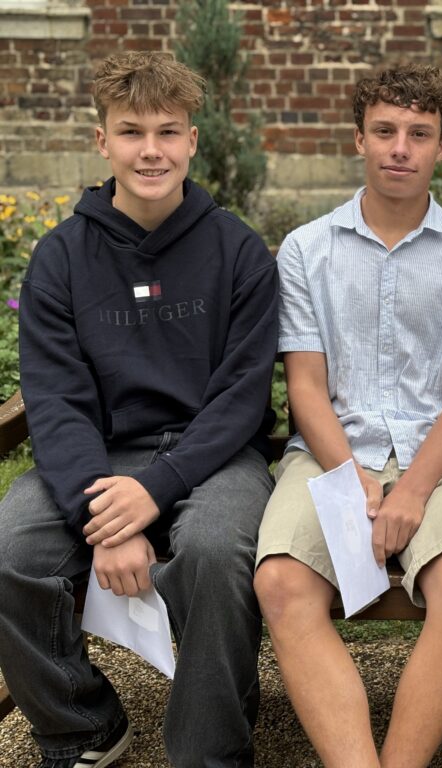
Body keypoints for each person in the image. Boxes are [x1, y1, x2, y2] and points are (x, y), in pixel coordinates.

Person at [0, 51, 279, 767]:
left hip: (214, 456)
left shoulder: (238, 251)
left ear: (192, 140)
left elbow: (241, 398)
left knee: (215, 550)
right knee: (9, 548)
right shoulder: (61, 258)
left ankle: (210, 752)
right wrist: (104, 513)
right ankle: (82, 726)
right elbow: (57, 399)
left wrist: (154, 490)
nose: (151, 150)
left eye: (167, 131)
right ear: (103, 141)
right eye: (131, 132)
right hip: (99, 455)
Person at [252, 64, 442, 768]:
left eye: (419, 134)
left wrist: (412, 489)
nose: (400, 148)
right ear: (358, 138)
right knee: (281, 581)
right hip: (329, 450)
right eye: (385, 131)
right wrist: (350, 476)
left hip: (441, 458)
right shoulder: (308, 250)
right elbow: (305, 384)